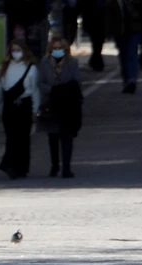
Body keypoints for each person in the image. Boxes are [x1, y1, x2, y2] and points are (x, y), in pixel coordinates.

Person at [0, 39, 40, 179]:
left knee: (23, 138)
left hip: (25, 105)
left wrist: (35, 110)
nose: (15, 53)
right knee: (11, 137)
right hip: (9, 106)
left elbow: (34, 89)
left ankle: (22, 167)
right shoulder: (4, 67)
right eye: (13, 50)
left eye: (18, 50)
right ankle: (10, 165)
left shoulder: (31, 68)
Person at [38, 37, 83, 178]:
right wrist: (52, 90)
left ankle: (66, 167)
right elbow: (40, 83)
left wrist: (63, 90)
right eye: (54, 48)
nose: (57, 51)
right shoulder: (44, 64)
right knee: (53, 137)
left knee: (67, 137)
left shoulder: (72, 63)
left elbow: (77, 81)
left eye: (60, 48)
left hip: (68, 105)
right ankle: (55, 165)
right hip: (51, 104)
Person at [106, 0, 142, 93]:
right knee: (123, 56)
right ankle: (127, 79)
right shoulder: (113, 2)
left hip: (135, 29)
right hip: (119, 31)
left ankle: (132, 80)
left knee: (132, 53)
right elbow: (108, 15)